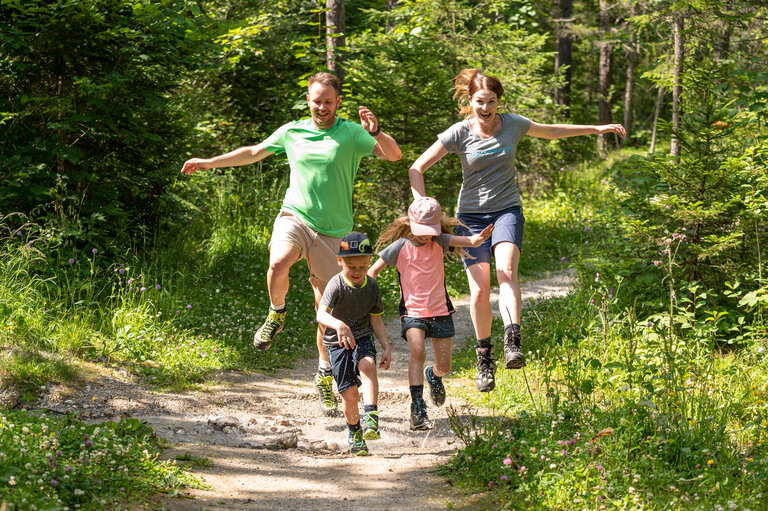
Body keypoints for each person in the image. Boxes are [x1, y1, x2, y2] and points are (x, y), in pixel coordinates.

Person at [180, 72, 401, 414]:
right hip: (295, 217)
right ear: (308, 100)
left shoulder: (351, 134)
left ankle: (324, 372)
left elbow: (394, 155)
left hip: (334, 234)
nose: (322, 107)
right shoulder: (293, 131)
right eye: (316, 100)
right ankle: (276, 313)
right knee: (278, 262)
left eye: (328, 101)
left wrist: (376, 132)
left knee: (324, 312)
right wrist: (208, 163)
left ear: (338, 101)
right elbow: (253, 152)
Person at [408, 68, 626, 392]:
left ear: (499, 102)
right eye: (479, 101)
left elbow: (550, 131)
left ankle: (513, 341)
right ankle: (485, 358)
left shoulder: (513, 125)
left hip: (507, 210)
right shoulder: (458, 133)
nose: (485, 108)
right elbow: (417, 168)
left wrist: (596, 128)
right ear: (470, 101)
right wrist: (423, 207)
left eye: (491, 101)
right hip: (470, 216)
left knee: (506, 270)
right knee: (480, 291)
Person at [368, 197, 493, 429]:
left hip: (439, 310)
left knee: (444, 366)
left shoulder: (440, 241)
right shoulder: (400, 246)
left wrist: (479, 238)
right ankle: (417, 409)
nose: (426, 235)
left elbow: (471, 241)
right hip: (412, 311)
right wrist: (366, 297)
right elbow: (373, 271)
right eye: (421, 230)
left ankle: (433, 376)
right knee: (417, 350)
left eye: (430, 230)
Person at [316, 232, 391, 455]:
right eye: (351, 266)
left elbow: (376, 319)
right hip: (336, 343)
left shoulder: (372, 286)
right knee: (349, 394)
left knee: (368, 365)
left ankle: (371, 416)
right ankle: (355, 433)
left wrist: (385, 345)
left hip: (362, 335)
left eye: (362, 266)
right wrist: (338, 325)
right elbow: (321, 314)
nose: (357, 271)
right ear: (340, 261)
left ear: (369, 262)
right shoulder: (335, 285)